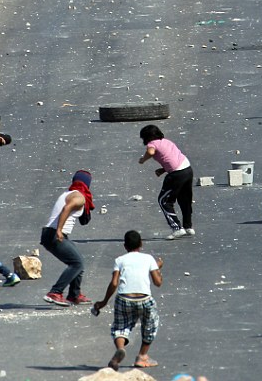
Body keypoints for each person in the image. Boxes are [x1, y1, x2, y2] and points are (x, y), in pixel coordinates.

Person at [93, 230, 163, 371]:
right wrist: (157, 268)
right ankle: (142, 356)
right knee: (150, 324)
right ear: (141, 244)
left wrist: (104, 301)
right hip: (144, 299)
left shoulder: (120, 260)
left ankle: (120, 348)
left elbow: (114, 283)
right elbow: (158, 282)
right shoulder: (149, 259)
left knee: (120, 326)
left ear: (125, 246)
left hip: (124, 298)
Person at [41, 170, 94, 306]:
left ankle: (74, 295)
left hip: (49, 233)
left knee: (78, 261)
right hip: (54, 234)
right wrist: (59, 230)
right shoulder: (80, 197)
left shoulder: (68, 193)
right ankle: (55, 292)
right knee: (77, 263)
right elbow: (67, 208)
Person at [139, 125, 194, 239]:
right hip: (187, 169)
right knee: (184, 199)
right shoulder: (166, 141)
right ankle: (188, 227)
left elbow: (151, 151)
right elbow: (172, 157)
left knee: (164, 200)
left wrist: (143, 160)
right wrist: (163, 169)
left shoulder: (152, 144)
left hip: (176, 174)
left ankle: (177, 228)